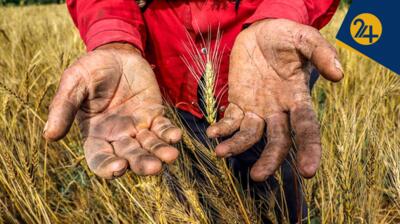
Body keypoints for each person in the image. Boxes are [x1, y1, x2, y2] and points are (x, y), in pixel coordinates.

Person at [43, 0, 343, 223]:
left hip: (271, 75)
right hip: (161, 77)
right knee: (191, 191)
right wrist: (115, 36)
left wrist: (283, 11)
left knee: (276, 187)